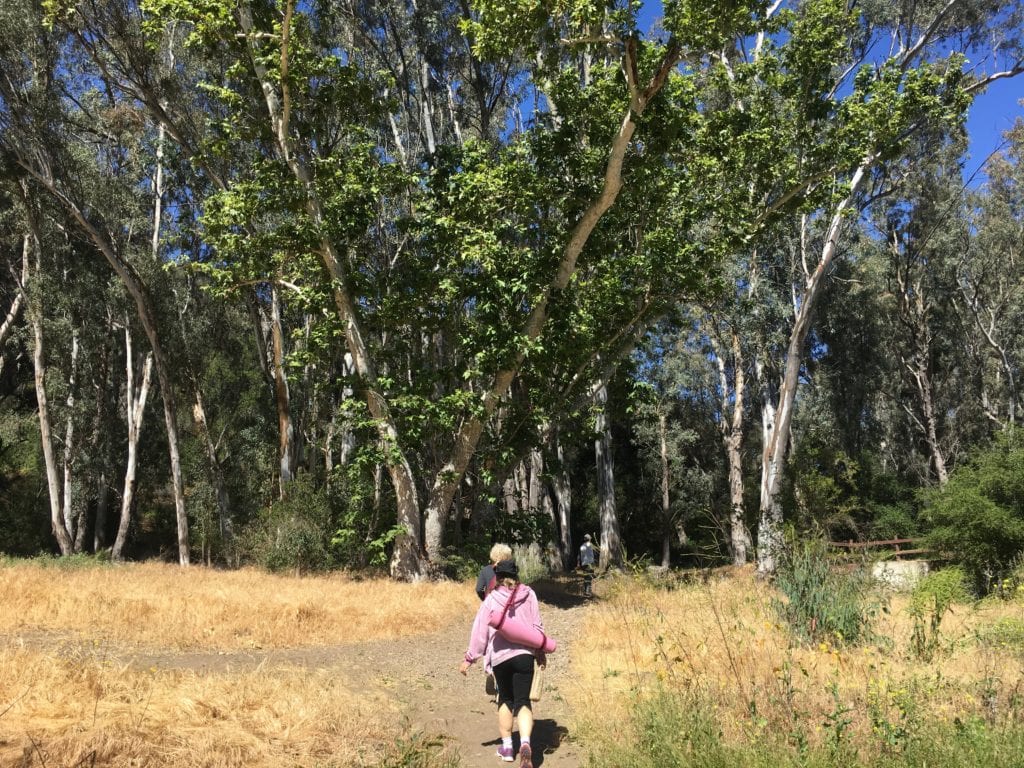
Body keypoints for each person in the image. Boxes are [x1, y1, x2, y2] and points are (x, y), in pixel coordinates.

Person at [460, 559, 545, 768]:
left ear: (497, 576)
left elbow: (480, 631)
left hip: (500, 657)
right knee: (523, 701)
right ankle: (525, 744)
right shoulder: (529, 594)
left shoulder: (491, 599)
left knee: (505, 699)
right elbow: (537, 624)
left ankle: (507, 748)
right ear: (517, 575)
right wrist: (540, 650)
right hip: (525, 654)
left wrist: (469, 658)